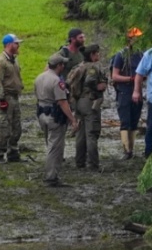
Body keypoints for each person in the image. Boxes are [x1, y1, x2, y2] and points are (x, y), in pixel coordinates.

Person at [35, 53, 76, 187]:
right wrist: (72, 119)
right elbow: (62, 102)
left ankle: (51, 174)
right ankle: (51, 177)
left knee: (50, 144)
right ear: (59, 66)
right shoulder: (57, 81)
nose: (63, 66)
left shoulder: (39, 77)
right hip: (55, 117)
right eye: (62, 64)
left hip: (42, 114)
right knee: (55, 148)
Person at [71, 44, 108, 170]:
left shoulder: (79, 66)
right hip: (89, 102)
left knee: (80, 134)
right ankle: (93, 164)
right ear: (92, 54)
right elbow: (90, 80)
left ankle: (79, 162)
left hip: (79, 102)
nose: (98, 55)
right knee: (92, 133)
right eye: (97, 53)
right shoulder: (92, 67)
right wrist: (98, 87)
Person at [111, 27, 145, 160]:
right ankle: (127, 151)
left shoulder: (141, 55)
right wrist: (131, 79)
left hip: (138, 90)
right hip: (124, 91)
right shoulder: (121, 55)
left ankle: (132, 148)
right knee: (125, 121)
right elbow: (115, 76)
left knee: (134, 120)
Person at [0, 33, 24, 164]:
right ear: (9, 45)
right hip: (6, 98)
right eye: (16, 43)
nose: (18, 45)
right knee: (3, 128)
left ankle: (13, 153)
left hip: (15, 97)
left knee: (17, 127)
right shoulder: (0, 61)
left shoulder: (14, 60)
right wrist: (0, 99)